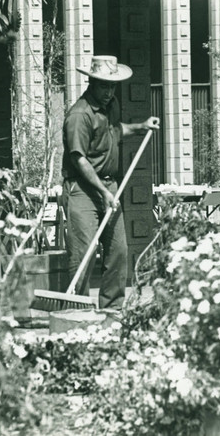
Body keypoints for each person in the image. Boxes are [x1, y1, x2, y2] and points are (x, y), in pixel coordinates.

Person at [61, 55, 160, 309]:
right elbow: (79, 159)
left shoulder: (111, 105)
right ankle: (77, 311)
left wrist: (141, 126)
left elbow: (115, 130)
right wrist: (103, 191)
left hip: (109, 187)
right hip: (82, 190)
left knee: (118, 251)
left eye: (112, 85)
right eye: (104, 85)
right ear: (91, 81)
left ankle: (112, 308)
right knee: (83, 253)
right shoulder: (79, 115)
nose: (108, 91)